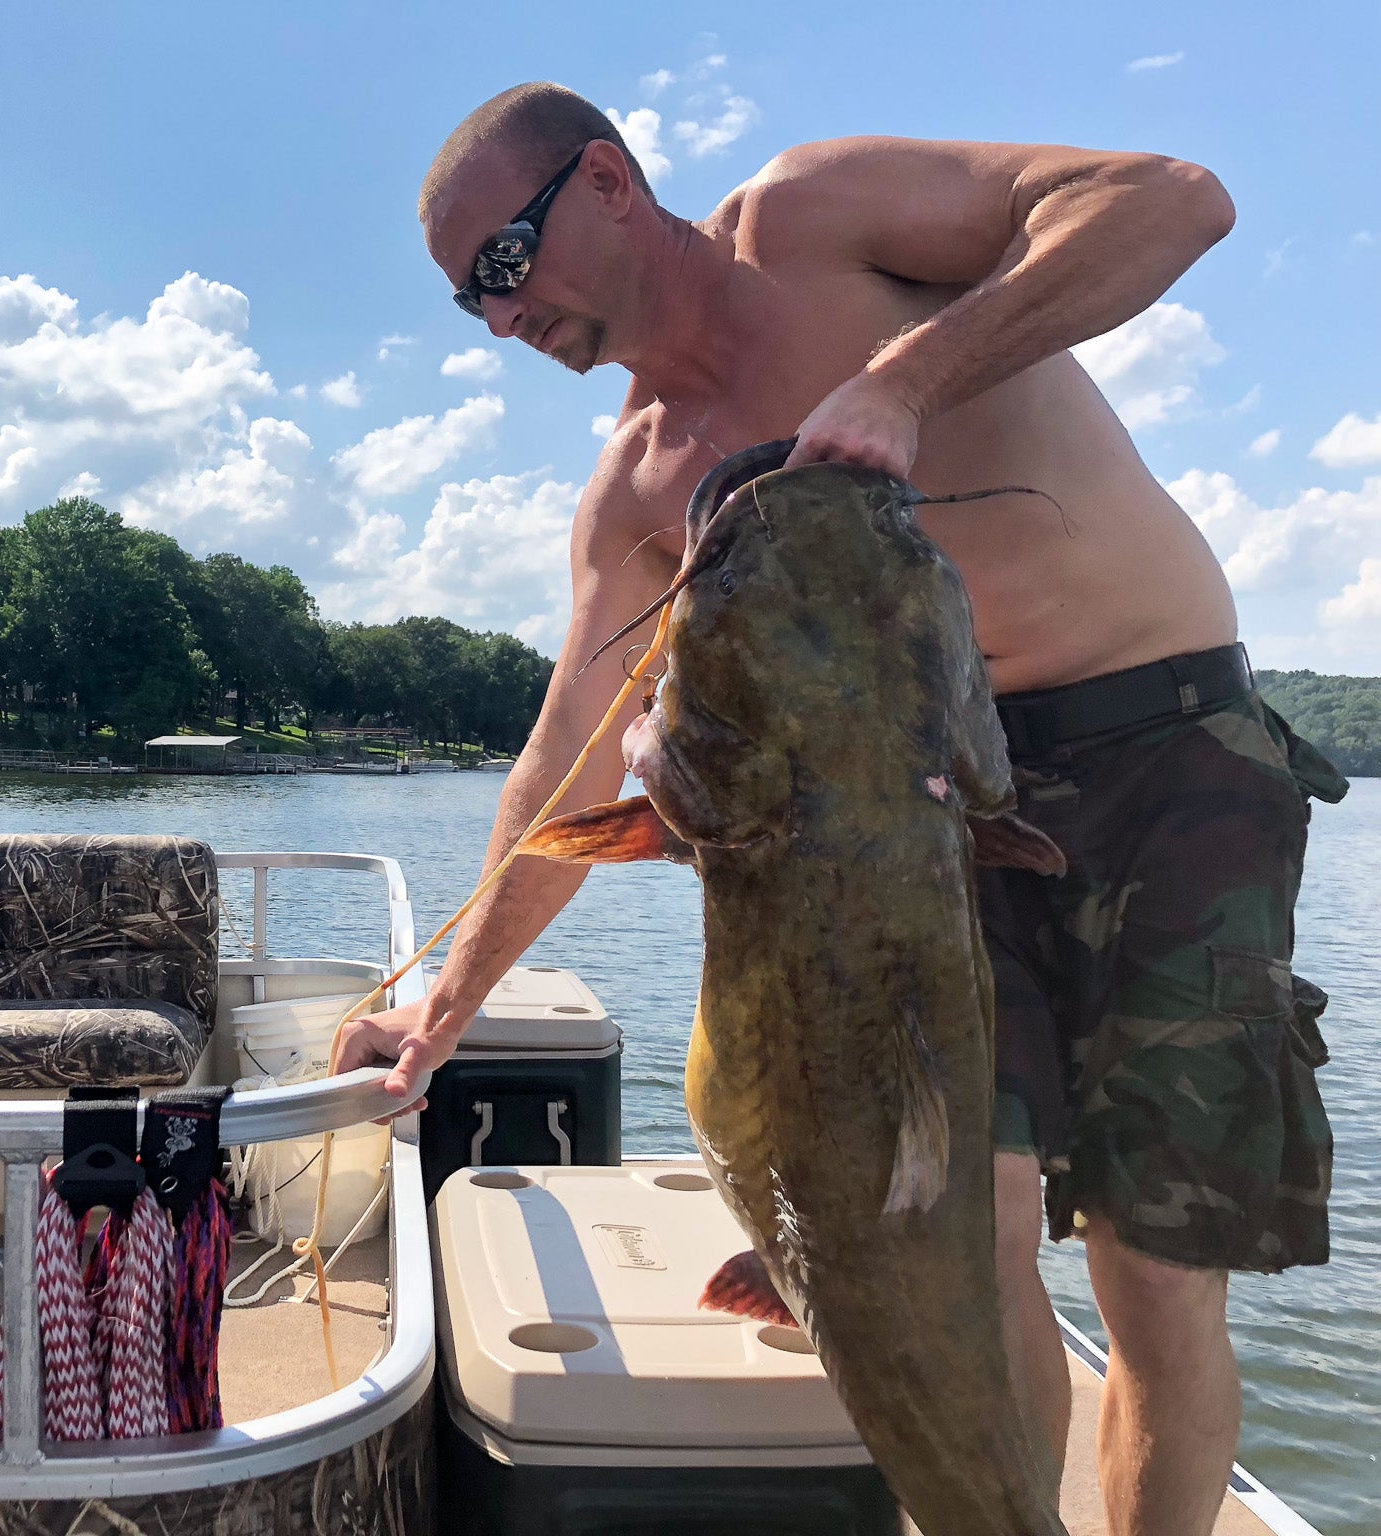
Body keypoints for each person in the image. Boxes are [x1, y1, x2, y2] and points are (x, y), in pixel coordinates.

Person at [332, 82, 1345, 1536]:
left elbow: (1177, 198)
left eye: (502, 265)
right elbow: (567, 759)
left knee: (1158, 1270)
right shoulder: (641, 489)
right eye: (464, 302)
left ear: (608, 182)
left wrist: (909, 378)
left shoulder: (822, 219)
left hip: (1161, 754)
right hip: (897, 846)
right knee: (963, 1233)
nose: (499, 318)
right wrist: (440, 1008)